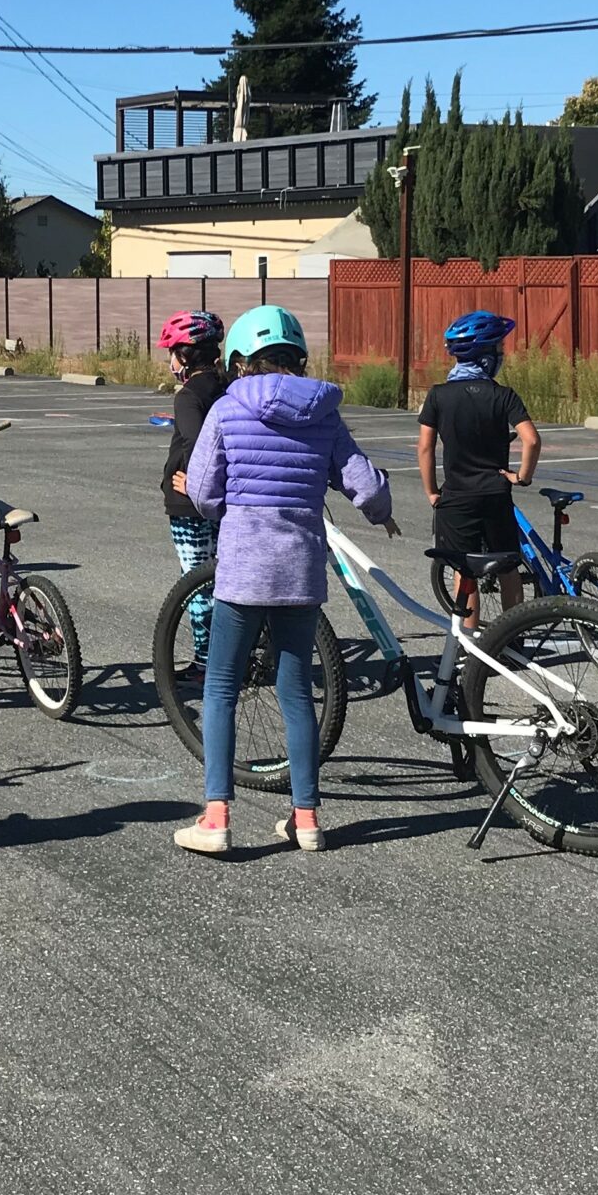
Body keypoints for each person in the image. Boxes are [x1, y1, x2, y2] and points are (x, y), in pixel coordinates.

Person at [177, 304, 394, 858]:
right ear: (298, 358)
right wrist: (382, 511)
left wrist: (232, 504)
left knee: (222, 688)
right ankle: (306, 818)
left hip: (243, 569)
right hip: (300, 570)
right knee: (296, 692)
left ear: (241, 360)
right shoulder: (325, 413)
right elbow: (364, 486)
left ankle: (217, 816)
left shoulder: (226, 411)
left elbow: (202, 494)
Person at [417, 309, 539, 629]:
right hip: (495, 493)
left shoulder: (439, 396)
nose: (501, 356)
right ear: (485, 357)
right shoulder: (503, 396)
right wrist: (521, 476)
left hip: (457, 494)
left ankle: (470, 648)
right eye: (498, 350)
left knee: (465, 571)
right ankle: (513, 637)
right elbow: (532, 440)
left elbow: (425, 448)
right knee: (509, 567)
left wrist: (432, 491)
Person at [156, 309, 229, 665]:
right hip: (225, 501)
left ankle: (206, 661)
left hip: (190, 504)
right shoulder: (229, 388)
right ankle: (232, 652)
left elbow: (200, 443)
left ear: (184, 356)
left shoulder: (188, 397)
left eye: (172, 352)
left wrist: (196, 480)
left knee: (198, 583)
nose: (170, 361)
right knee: (224, 579)